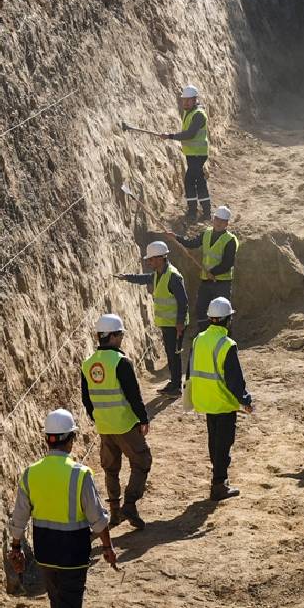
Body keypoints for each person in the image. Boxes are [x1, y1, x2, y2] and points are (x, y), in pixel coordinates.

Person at [8, 409, 118, 608]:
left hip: (45, 553)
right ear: (70, 440)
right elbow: (98, 518)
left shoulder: (30, 473)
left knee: (59, 606)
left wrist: (15, 548)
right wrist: (108, 547)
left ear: (48, 440)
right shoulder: (81, 475)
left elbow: (19, 516)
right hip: (73, 556)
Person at [80, 314, 152, 530]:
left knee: (111, 469)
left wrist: (98, 417)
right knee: (142, 460)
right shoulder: (121, 362)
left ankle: (114, 514)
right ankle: (129, 504)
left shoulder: (88, 365)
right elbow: (133, 394)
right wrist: (143, 418)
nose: (121, 338)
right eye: (120, 334)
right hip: (125, 424)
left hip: (104, 427)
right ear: (111, 336)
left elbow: (86, 399)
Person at [187, 297, 253, 500]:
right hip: (222, 401)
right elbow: (234, 379)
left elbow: (190, 368)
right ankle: (219, 484)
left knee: (214, 441)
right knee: (223, 443)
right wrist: (245, 400)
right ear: (227, 320)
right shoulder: (226, 344)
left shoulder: (198, 339)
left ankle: (218, 479)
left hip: (204, 399)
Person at [113, 241, 189, 396]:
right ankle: (174, 383)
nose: (149, 262)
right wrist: (127, 277)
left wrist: (180, 323)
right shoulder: (159, 274)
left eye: (151, 259)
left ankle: (176, 387)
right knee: (170, 353)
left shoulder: (173, 276)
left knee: (174, 354)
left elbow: (183, 301)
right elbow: (145, 279)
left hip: (175, 324)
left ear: (161, 258)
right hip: (168, 323)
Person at [171, 206, 239, 333]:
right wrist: (176, 238)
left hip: (222, 283)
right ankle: (203, 334)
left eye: (222, 221)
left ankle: (225, 336)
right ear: (213, 219)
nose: (219, 222)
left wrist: (213, 272)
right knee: (201, 308)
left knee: (223, 311)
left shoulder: (230, 240)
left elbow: (228, 263)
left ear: (227, 223)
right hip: (206, 281)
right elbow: (192, 243)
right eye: (217, 219)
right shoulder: (206, 233)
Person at [158, 84, 210, 219]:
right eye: (184, 100)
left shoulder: (198, 114)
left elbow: (190, 134)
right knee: (198, 181)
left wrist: (170, 136)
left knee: (191, 181)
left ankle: (195, 212)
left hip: (198, 154)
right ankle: (204, 212)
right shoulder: (189, 112)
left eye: (188, 100)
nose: (185, 102)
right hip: (193, 154)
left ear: (195, 99)